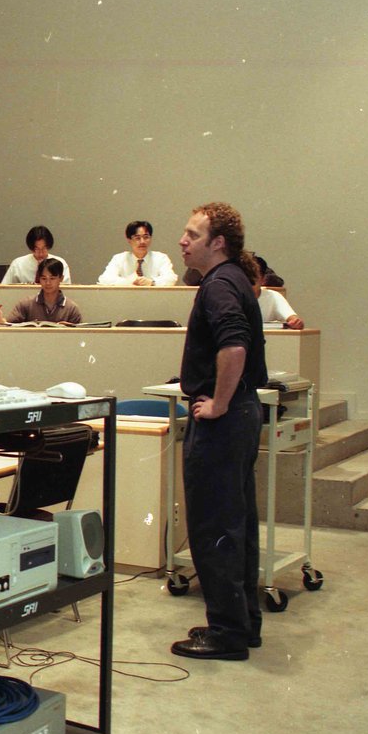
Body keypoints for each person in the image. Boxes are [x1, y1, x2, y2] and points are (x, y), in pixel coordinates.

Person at [172, 201, 267, 662]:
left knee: (214, 525)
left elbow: (233, 344)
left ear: (218, 243)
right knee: (237, 523)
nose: (182, 241)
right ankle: (242, 623)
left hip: (226, 420)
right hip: (243, 416)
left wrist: (219, 403)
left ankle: (226, 633)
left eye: (192, 234)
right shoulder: (230, 281)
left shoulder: (218, 286)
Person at [0, 258, 82, 325]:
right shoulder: (26, 304)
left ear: (61, 279)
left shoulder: (71, 308)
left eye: (52, 278)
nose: (48, 283)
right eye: (43, 278)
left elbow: (80, 338)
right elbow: (8, 325)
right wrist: (0, 320)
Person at [97, 220, 178, 286]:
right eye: (137, 238)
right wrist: (130, 282)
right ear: (129, 240)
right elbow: (104, 279)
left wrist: (152, 282)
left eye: (146, 237)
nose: (142, 242)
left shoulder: (161, 258)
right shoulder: (119, 259)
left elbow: (171, 278)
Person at [240, 253, 303, 329]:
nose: (248, 283)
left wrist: (296, 323)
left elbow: (293, 319)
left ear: (263, 280)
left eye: (253, 279)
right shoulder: (229, 296)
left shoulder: (273, 296)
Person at [0, 226, 72, 285]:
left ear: (49, 246)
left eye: (44, 248)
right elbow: (4, 289)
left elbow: (67, 290)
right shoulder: (18, 264)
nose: (41, 254)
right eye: (36, 249)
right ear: (31, 248)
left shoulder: (60, 263)